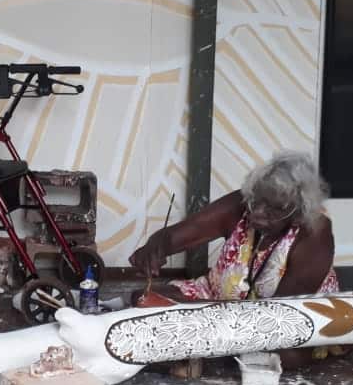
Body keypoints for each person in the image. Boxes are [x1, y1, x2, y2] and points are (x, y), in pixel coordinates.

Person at [129, 151, 340, 367]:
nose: (256, 213)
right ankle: (208, 339)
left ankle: (202, 339)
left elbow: (280, 316)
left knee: (286, 355)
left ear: (298, 213)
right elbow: (178, 234)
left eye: (272, 210)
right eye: (255, 201)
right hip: (215, 298)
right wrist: (155, 247)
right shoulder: (240, 205)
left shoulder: (315, 233)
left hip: (276, 321)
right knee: (143, 299)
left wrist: (197, 312)